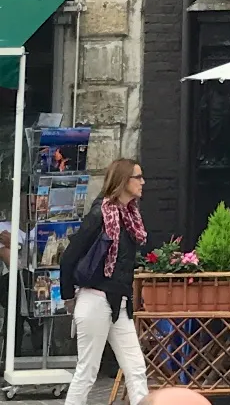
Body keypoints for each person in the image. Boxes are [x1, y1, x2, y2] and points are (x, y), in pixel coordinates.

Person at [58, 158, 148, 405]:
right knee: (87, 371)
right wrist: (68, 297)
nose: (143, 182)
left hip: (120, 302)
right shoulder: (100, 214)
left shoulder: (131, 217)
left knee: (136, 368)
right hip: (95, 299)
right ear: (123, 181)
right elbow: (69, 258)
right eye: (137, 177)